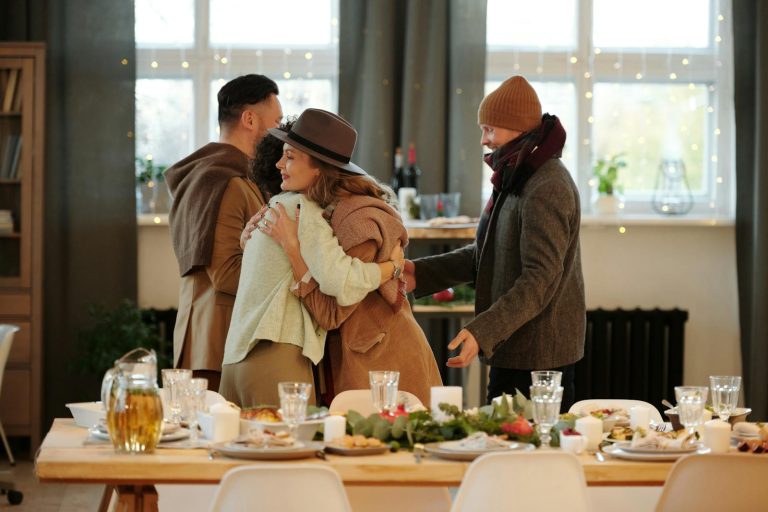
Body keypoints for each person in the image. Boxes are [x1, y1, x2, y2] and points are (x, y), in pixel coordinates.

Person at [233, 108, 442, 406]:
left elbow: (331, 312)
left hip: (382, 364)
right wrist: (255, 244)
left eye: (290, 157)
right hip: (354, 360)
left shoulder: (360, 222)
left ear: (319, 167)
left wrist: (293, 251)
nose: (281, 164)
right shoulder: (313, 212)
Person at [404, 76, 585, 409]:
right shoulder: (517, 174)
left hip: (538, 358)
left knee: (525, 456)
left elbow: (539, 280)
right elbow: (488, 254)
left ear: (516, 128)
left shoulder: (546, 185)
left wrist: (482, 331)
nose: (484, 141)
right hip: (514, 346)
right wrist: (419, 272)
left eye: (490, 130)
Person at [165, 74, 283, 391]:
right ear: (249, 119)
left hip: (220, 341)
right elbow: (227, 274)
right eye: (277, 121)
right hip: (215, 346)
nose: (281, 134)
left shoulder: (232, 177)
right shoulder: (223, 181)